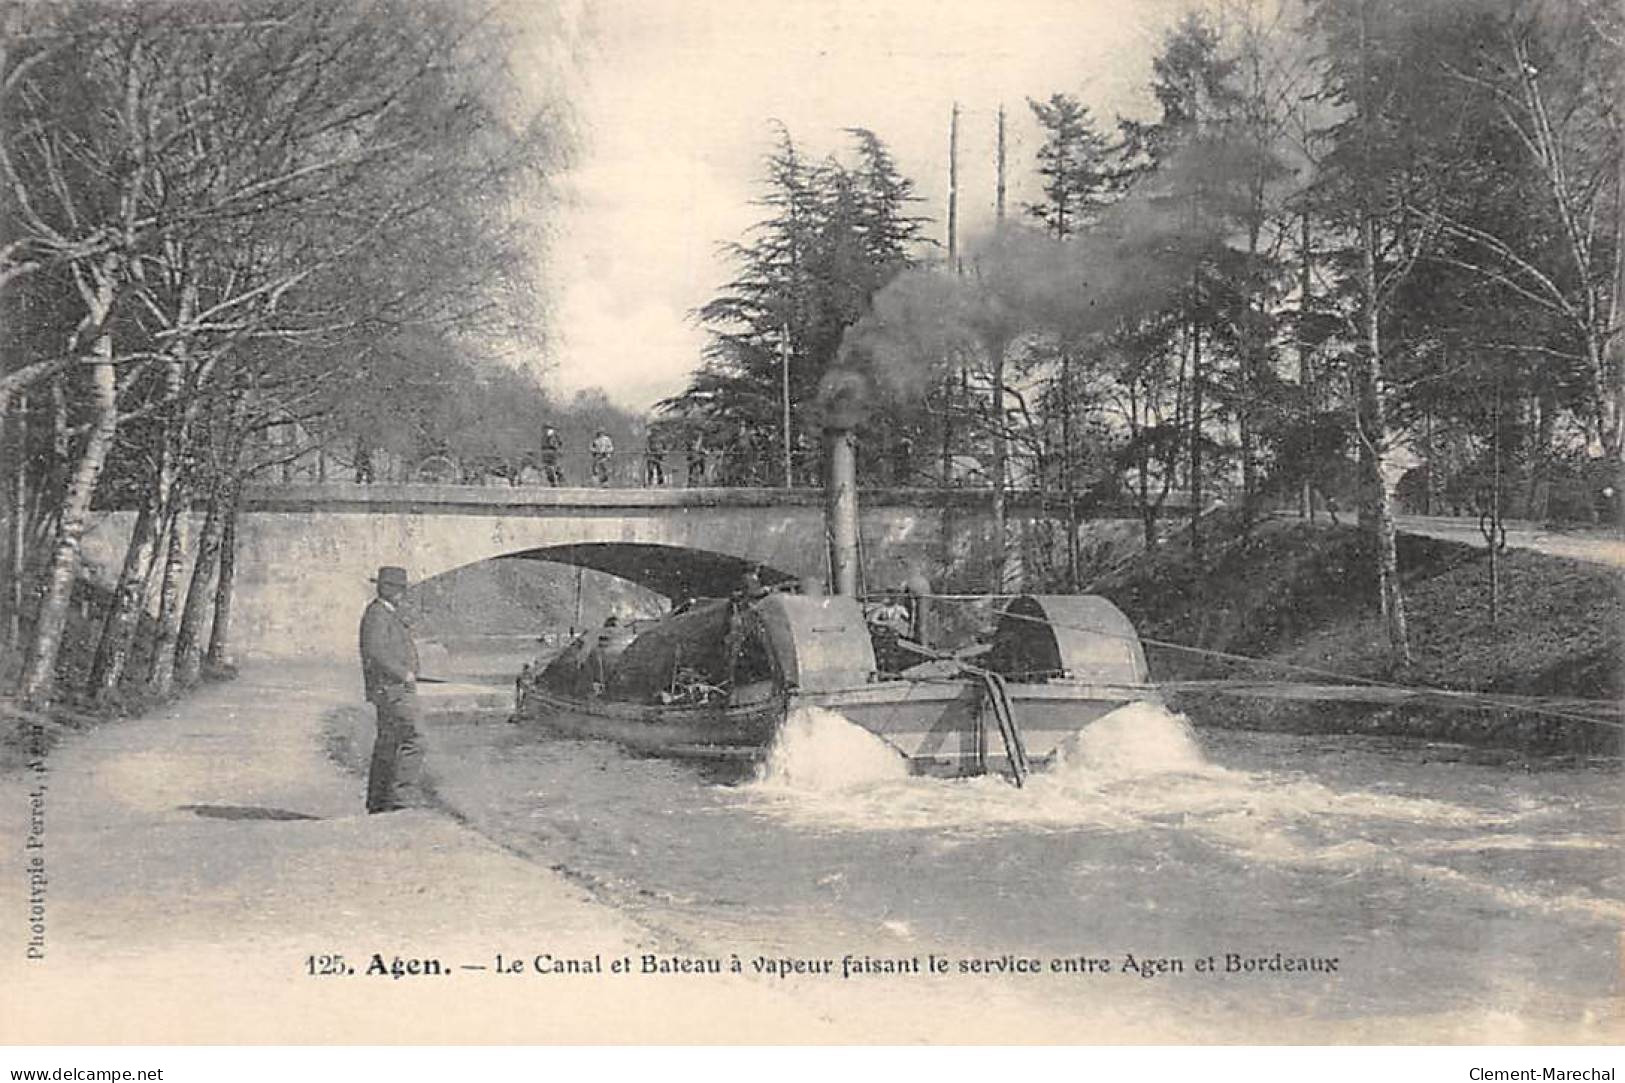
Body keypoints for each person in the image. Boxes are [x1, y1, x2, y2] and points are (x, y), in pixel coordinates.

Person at [358, 565, 424, 813]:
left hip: (390, 688)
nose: (400, 593)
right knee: (415, 738)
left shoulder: (386, 613)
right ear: (383, 588)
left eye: (400, 589)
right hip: (392, 689)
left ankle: (379, 802)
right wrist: (403, 673)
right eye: (395, 588)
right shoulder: (378, 614)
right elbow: (375, 651)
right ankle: (401, 800)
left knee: (388, 743)